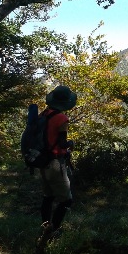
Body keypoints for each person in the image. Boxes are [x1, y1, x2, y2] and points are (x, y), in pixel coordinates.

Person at [37, 85, 77, 244]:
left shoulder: (44, 114)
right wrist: (70, 143)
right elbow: (61, 143)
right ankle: (53, 231)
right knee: (66, 200)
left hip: (43, 160)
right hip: (55, 163)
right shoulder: (62, 119)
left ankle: (45, 227)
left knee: (48, 196)